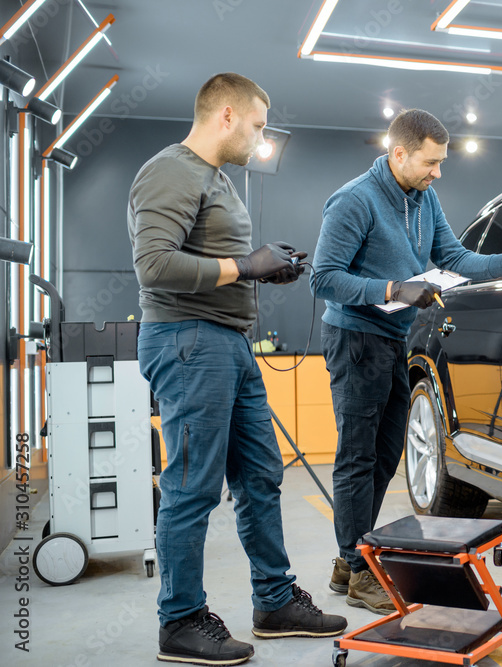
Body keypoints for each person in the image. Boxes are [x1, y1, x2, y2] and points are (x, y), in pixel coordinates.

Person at [128, 72, 347, 666]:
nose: (259, 138)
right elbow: (153, 265)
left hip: (228, 344)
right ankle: (179, 620)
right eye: (255, 125)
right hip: (188, 341)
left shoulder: (216, 179)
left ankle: (274, 602)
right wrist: (244, 266)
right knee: (192, 485)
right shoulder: (172, 169)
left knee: (260, 475)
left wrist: (263, 268)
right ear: (226, 115)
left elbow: (213, 259)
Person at [311, 109, 502, 615]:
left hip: (396, 338)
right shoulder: (354, 201)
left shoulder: (424, 198)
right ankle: (358, 570)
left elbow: (454, 256)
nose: (438, 172)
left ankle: (348, 555)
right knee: (358, 457)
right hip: (355, 339)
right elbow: (323, 278)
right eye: (430, 162)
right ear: (399, 154)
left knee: (386, 454)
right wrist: (394, 287)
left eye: (441, 162)